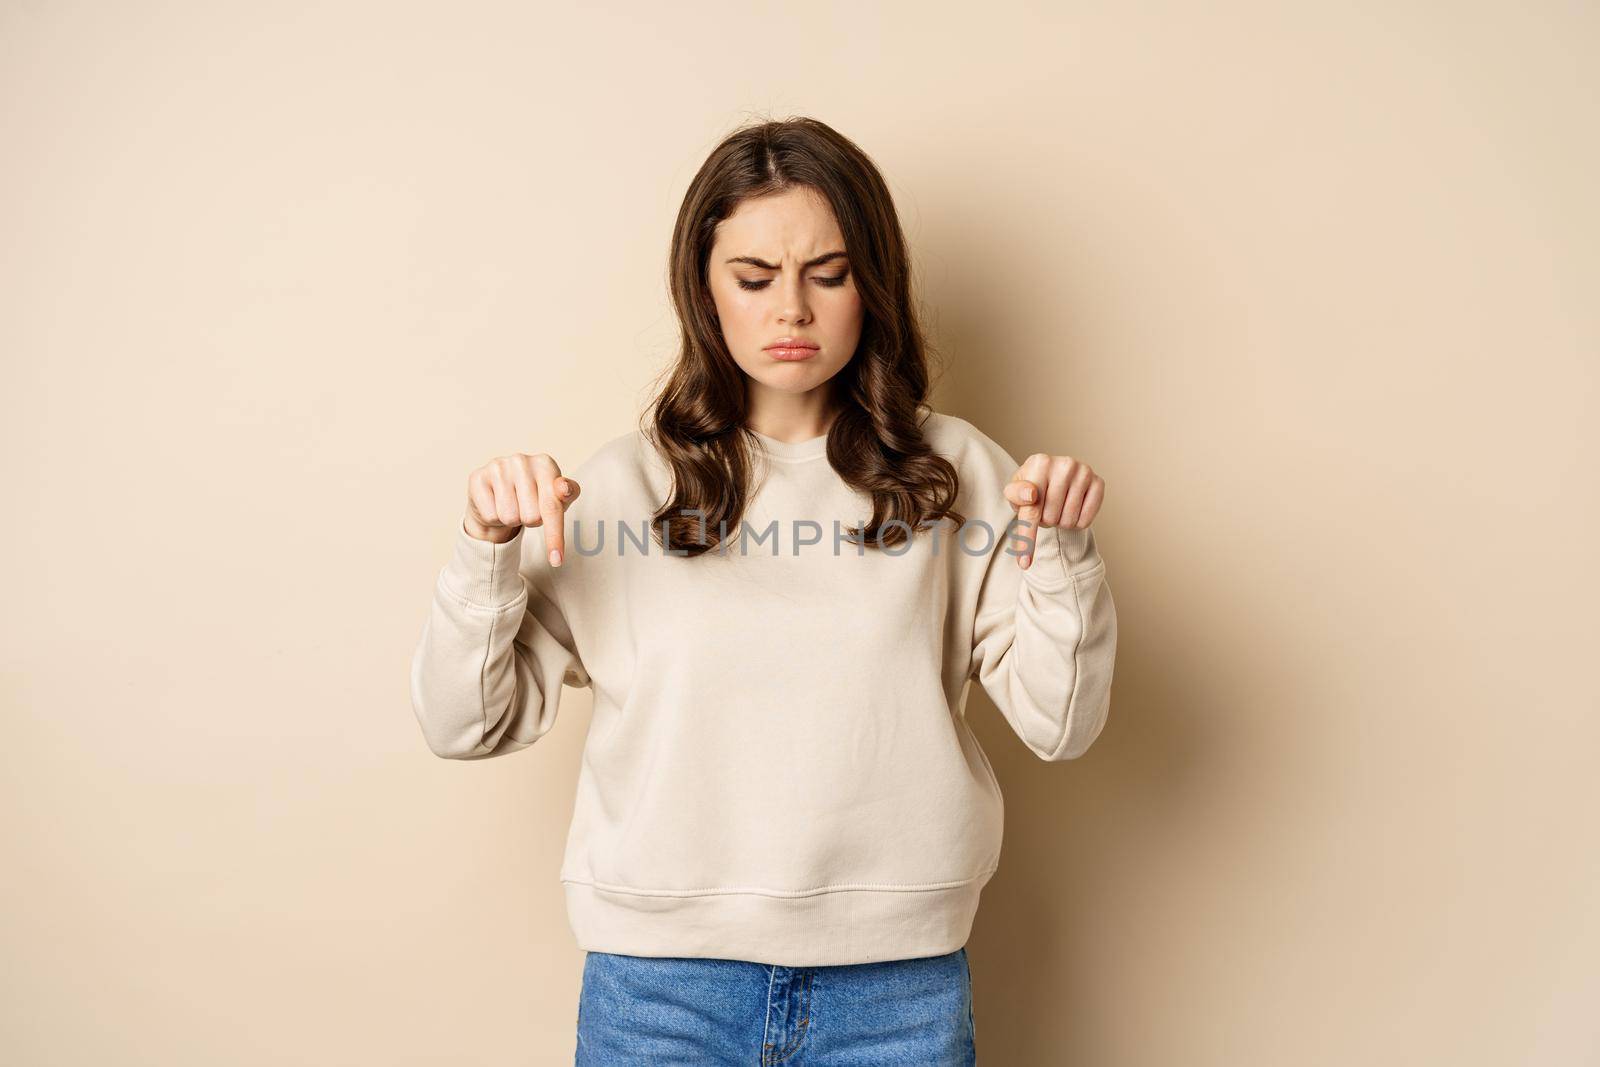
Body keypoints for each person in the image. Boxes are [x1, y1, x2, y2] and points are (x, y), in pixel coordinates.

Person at [409, 116, 1118, 1065]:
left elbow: (1060, 723)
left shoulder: (957, 473)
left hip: (896, 991)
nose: (792, 309)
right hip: (660, 989)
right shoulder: (620, 488)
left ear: (874, 283)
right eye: (754, 277)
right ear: (703, 289)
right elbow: (464, 723)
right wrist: (484, 550)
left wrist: (1063, 550)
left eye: (828, 273)